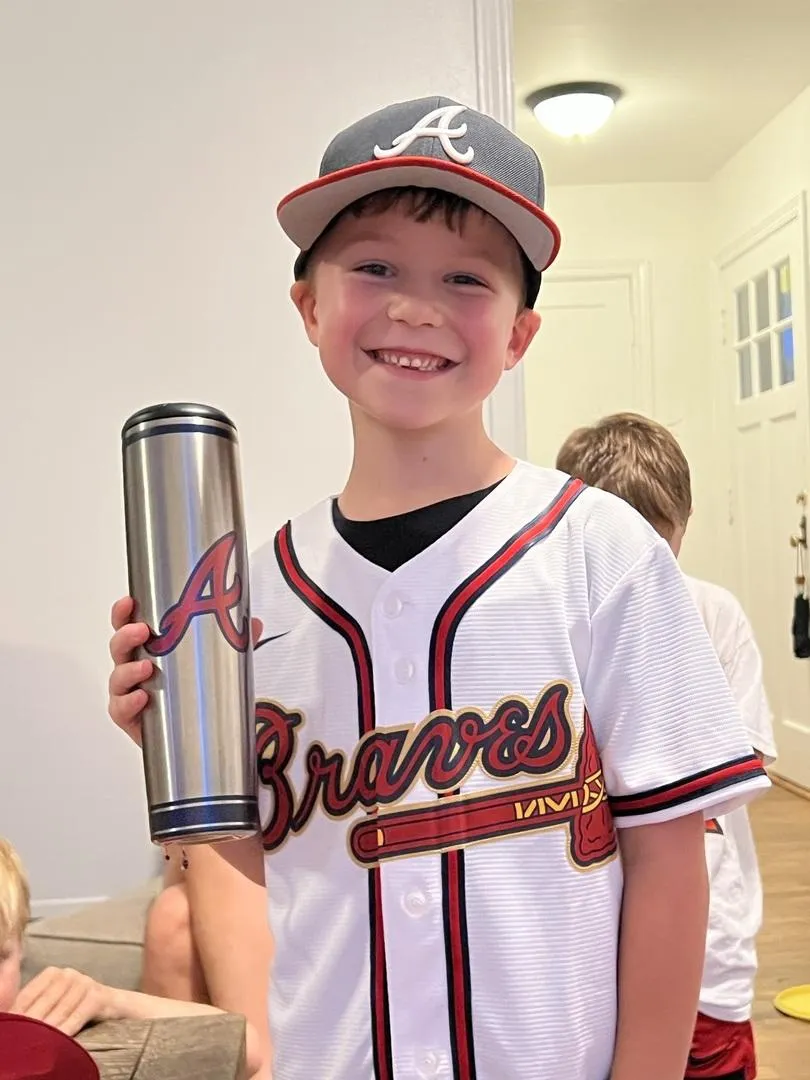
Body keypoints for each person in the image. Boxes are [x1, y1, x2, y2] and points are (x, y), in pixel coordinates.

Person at [107, 95, 770, 1080]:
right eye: (375, 268)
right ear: (309, 305)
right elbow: (252, 865)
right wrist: (181, 757)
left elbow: (671, 863)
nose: (416, 308)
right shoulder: (247, 598)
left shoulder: (604, 552)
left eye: (466, 277)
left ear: (519, 333)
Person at [556, 411, 777, 1080]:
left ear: (683, 526)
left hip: (707, 950)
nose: (636, 566)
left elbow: (742, 759)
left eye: (655, 542)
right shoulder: (551, 626)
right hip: (582, 957)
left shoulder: (714, 615)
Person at [0, 838, 262, 1078]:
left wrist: (112, 1001)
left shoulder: (40, 1027)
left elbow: (248, 1050)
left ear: (21, 947)